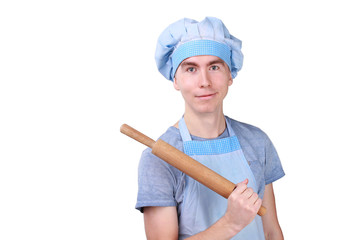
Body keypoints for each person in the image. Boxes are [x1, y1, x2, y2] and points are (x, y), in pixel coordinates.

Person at [135, 17, 285, 240]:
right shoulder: (159, 158)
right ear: (175, 79)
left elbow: (271, 231)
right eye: (191, 69)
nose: (204, 81)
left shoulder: (257, 141)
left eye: (214, 67)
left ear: (230, 74)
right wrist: (231, 223)